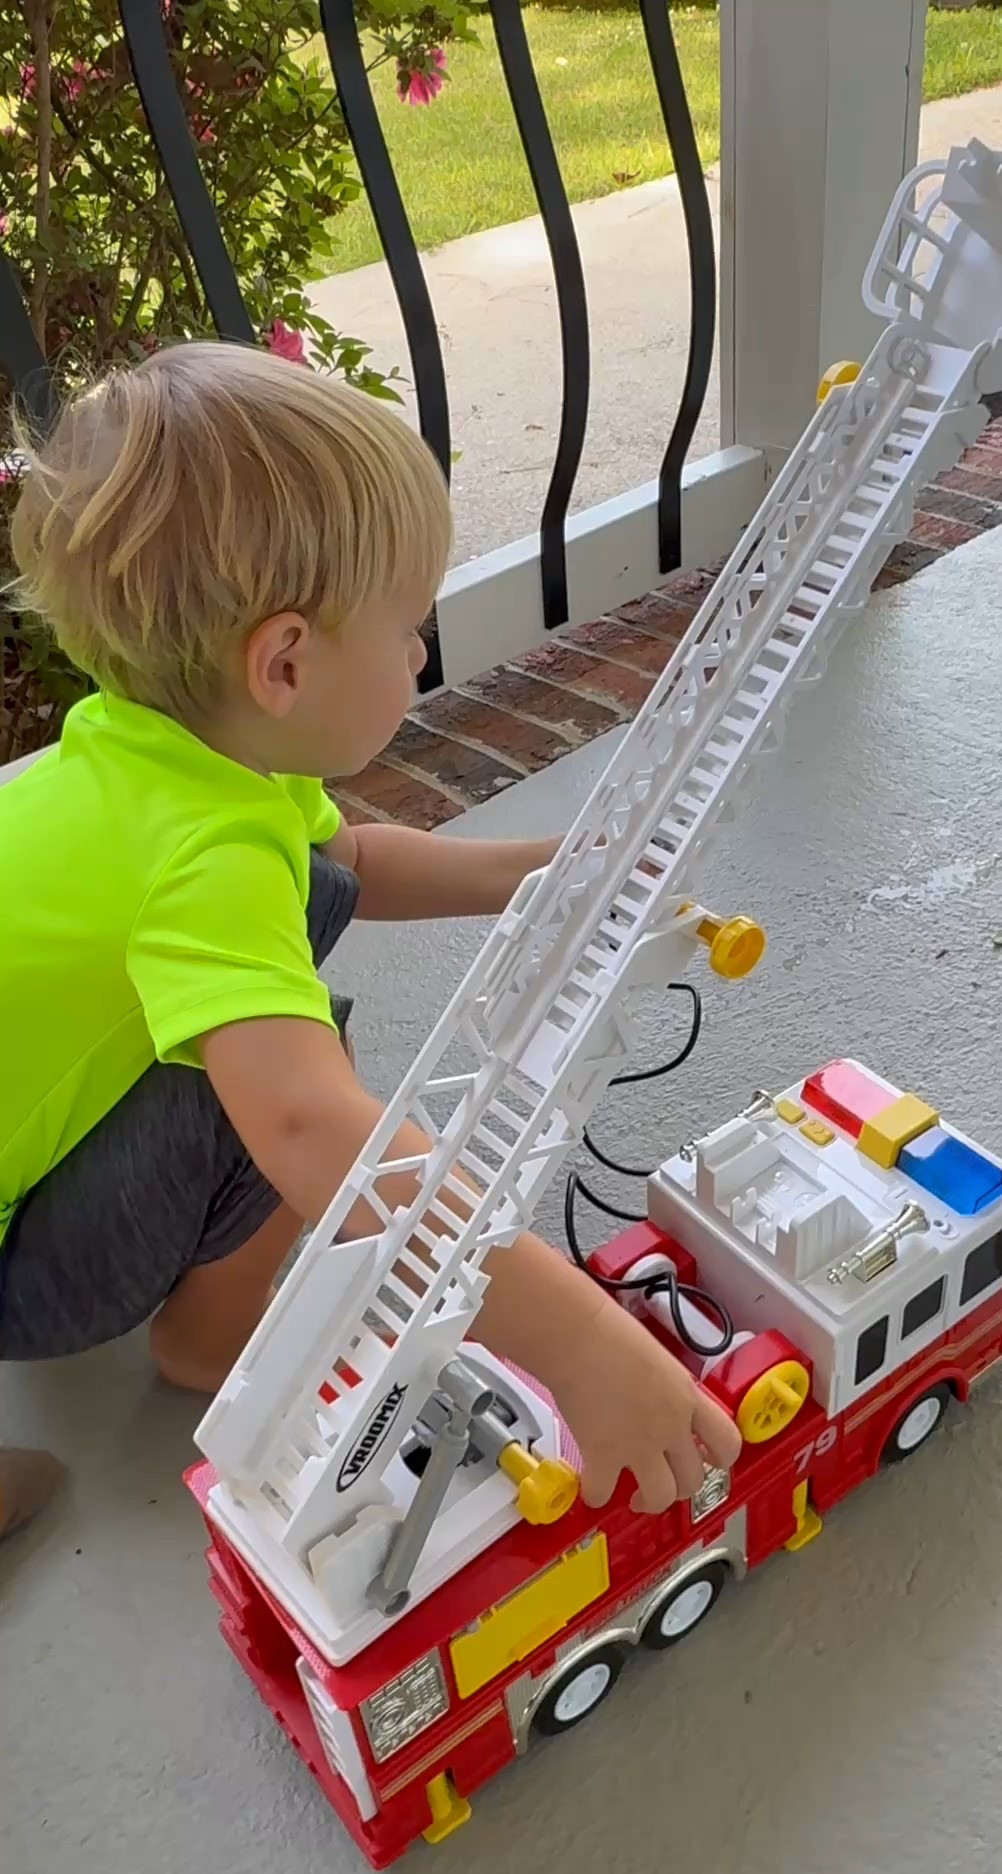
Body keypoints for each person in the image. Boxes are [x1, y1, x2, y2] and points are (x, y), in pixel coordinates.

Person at [0, 342, 740, 1532]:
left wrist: (543, 875)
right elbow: (310, 1130)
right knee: (284, 1060)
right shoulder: (207, 856)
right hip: (24, 1284)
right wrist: (583, 1341)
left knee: (300, 922)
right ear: (285, 662)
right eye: (410, 628)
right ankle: (206, 1338)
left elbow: (347, 859)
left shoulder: (157, 749)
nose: (423, 654)